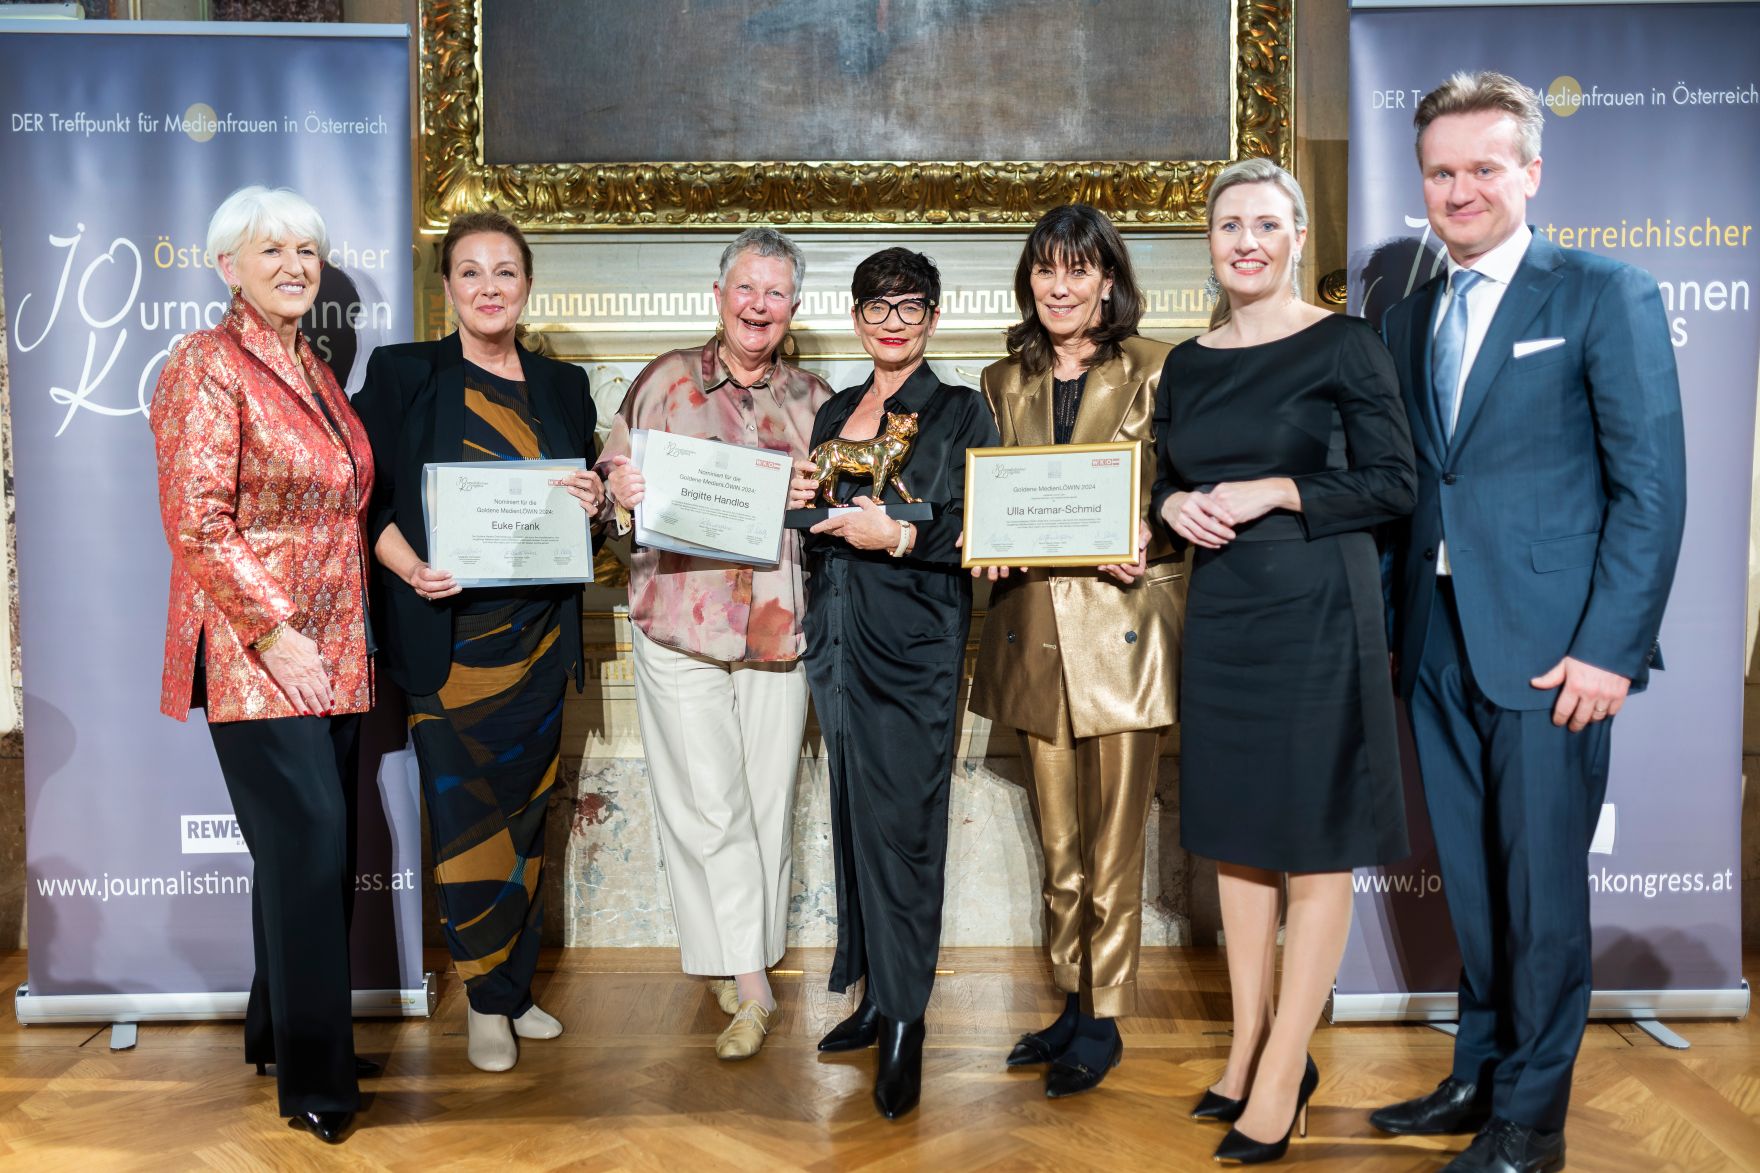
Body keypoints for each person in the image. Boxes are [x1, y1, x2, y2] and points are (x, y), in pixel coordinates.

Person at [1372, 73, 1685, 1173]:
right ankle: (1477, 1074)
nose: (1459, 190)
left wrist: (1609, 648)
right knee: (1471, 875)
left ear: (1530, 173)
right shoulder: (1407, 315)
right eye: (1439, 172)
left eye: (1481, 169)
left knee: (1541, 893)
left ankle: (1531, 1121)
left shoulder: (1603, 292)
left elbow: (1649, 488)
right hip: (1439, 638)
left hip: (1556, 654)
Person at [1152, 159, 1416, 1164]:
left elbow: (1392, 483)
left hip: (1315, 603)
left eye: (1266, 224)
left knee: (1309, 836)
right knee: (1236, 832)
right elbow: (1167, 483)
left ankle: (1283, 1066)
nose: (1246, 242)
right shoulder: (1185, 362)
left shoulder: (1343, 344)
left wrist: (1274, 489)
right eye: (1228, 226)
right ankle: (1244, 1044)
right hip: (1222, 612)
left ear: (1298, 237)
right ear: (1209, 242)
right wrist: (1171, 507)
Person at [150, 185, 376, 1145]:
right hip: (258, 652)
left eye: (306, 251)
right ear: (226, 265)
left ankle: (281, 1029)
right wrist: (276, 632)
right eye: (270, 248)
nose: (293, 264)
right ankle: (318, 1081)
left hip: (337, 649)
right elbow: (197, 518)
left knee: (308, 854)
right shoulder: (205, 363)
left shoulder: (314, 367)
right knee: (309, 846)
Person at [353, 211, 602, 1073]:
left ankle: (515, 987)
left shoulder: (564, 387)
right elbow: (365, 501)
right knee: (466, 823)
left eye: (505, 272)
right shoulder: (402, 373)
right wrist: (410, 566)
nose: (489, 287)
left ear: (527, 285)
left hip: (537, 644)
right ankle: (484, 1003)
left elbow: (589, 506)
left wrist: (596, 503)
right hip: (447, 645)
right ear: (446, 287)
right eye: (470, 272)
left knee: (529, 819)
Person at [594, 227, 832, 1061]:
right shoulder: (662, 380)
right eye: (745, 289)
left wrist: (815, 490)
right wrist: (617, 481)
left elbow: (833, 510)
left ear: (794, 307)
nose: (758, 306)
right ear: (719, 294)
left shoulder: (814, 397)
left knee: (764, 808)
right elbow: (607, 471)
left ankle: (735, 962)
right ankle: (755, 984)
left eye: (775, 293)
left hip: (777, 629)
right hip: (679, 623)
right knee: (712, 806)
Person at [968, 204, 1182, 1099]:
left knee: (1113, 842)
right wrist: (992, 531)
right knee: (1058, 844)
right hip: (1032, 632)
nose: (1060, 286)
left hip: (1122, 627)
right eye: (1046, 270)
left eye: (1079, 270)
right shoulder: (999, 377)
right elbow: (995, 486)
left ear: (1107, 281)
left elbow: (1182, 482)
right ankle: (1070, 995)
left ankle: (1107, 1012)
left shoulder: (1160, 367)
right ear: (1030, 281)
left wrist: (1152, 531)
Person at [803, 248, 999, 1119]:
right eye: (876, 306)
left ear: (933, 314)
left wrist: (905, 535)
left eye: (909, 304)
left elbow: (977, 525)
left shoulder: (962, 411)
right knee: (854, 819)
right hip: (836, 639)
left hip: (915, 648)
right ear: (855, 317)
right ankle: (875, 995)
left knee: (909, 832)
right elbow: (815, 517)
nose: (892, 320)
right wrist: (800, 499)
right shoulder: (839, 409)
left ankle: (908, 1023)